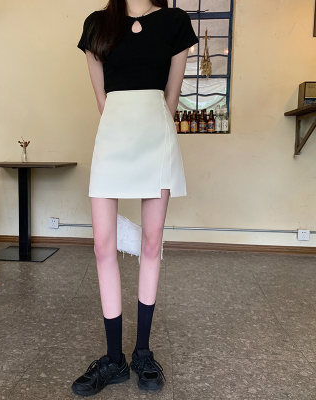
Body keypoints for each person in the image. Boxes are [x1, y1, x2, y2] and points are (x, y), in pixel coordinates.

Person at [72, 0, 198, 396]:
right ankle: (114, 361)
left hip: (156, 137)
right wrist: (123, 127)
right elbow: (102, 100)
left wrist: (153, 130)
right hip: (113, 137)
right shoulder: (97, 25)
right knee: (102, 245)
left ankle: (142, 352)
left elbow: (171, 96)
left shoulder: (175, 22)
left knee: (151, 242)